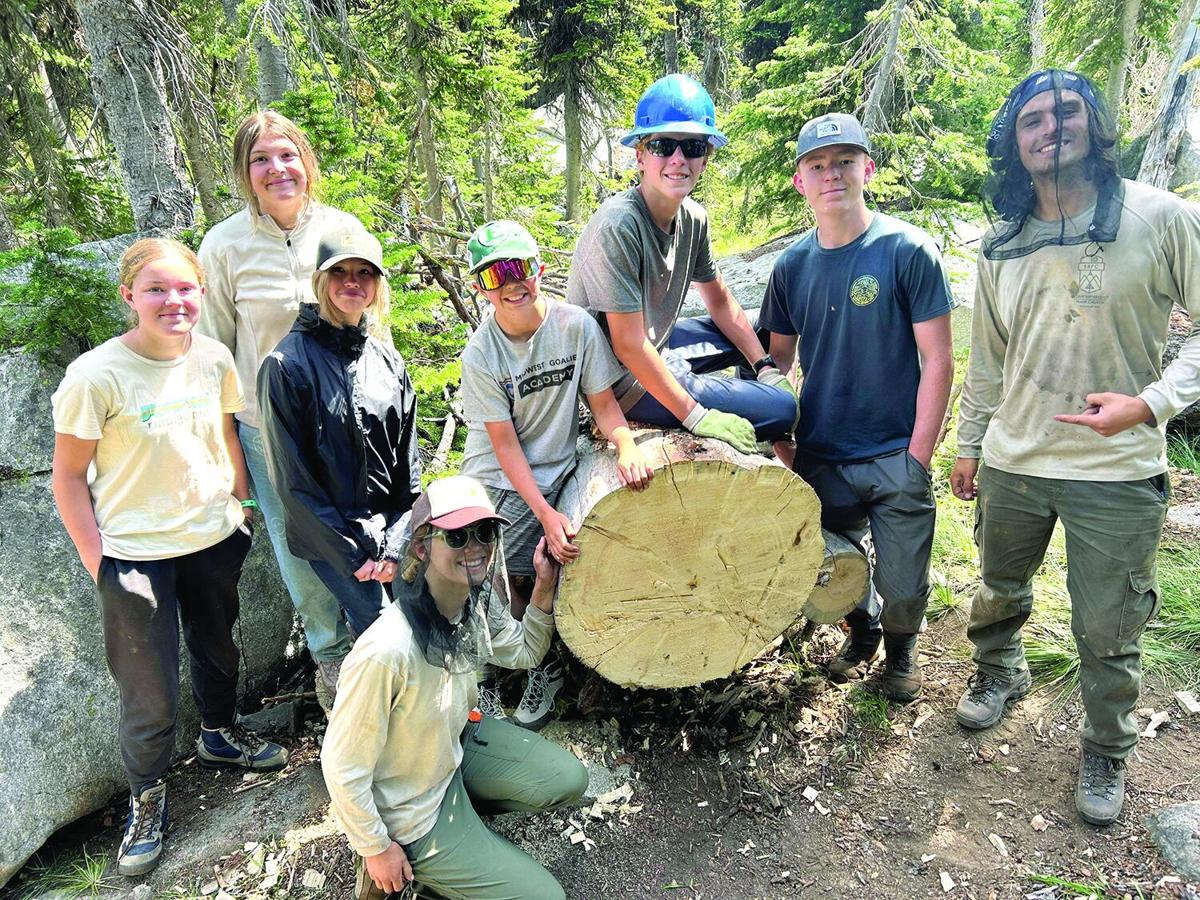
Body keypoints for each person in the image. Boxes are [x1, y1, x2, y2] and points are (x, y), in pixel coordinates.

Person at [951, 69, 1200, 825]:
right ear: (1013, 142)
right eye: (1031, 120)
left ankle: (1107, 746)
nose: (1050, 128)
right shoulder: (1001, 242)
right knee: (998, 590)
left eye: (1065, 112)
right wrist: (969, 445)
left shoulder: (1160, 217)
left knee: (1106, 625)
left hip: (1117, 471)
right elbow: (988, 359)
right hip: (1014, 460)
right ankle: (1000, 671)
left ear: (1094, 123)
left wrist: (1151, 404)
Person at [51, 239, 288, 877]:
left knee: (219, 652)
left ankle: (219, 735)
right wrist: (99, 563)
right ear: (129, 295)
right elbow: (67, 477)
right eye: (156, 289)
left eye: (185, 288)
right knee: (148, 690)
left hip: (212, 538)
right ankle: (147, 796)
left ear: (201, 293)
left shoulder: (212, 357)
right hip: (134, 556)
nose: (173, 300)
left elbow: (226, 432)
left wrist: (241, 503)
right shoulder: (95, 376)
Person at [758, 113, 954, 702]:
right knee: (834, 562)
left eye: (844, 161)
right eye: (817, 165)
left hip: (895, 450)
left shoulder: (907, 250)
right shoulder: (791, 266)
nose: (832, 174)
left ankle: (901, 650)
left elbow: (939, 359)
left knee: (905, 579)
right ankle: (862, 630)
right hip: (822, 452)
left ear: (867, 169)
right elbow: (776, 363)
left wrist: (918, 456)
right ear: (800, 182)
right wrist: (781, 440)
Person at [322, 475, 588, 900]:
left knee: (568, 778)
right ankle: (416, 869)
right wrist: (376, 848)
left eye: (484, 532)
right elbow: (340, 765)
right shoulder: (385, 651)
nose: (475, 547)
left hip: (453, 750)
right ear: (421, 547)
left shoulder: (471, 604)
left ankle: (466, 832)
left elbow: (524, 652)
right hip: (412, 809)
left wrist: (543, 586)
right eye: (458, 536)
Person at [198, 110, 372, 706]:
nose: (277, 169)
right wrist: (229, 454)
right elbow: (215, 355)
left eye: (287, 154)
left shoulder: (341, 228)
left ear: (306, 162)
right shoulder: (224, 246)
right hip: (265, 427)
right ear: (245, 173)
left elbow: (373, 324)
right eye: (260, 159)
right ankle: (332, 656)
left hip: (345, 418)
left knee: (360, 525)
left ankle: (378, 638)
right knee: (297, 541)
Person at [459, 219, 652, 729]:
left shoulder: (575, 326)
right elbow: (504, 446)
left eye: (519, 267)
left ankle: (542, 666)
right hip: (497, 478)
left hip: (556, 469)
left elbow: (603, 404)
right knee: (493, 577)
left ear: (539, 268)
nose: (511, 283)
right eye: (494, 274)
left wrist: (626, 444)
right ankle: (495, 673)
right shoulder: (481, 354)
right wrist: (543, 511)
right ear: (480, 288)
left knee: (544, 568)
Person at [568, 73, 797, 456]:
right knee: (783, 410)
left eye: (691, 146)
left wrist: (765, 366)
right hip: (620, 382)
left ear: (705, 158)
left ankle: (754, 408)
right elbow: (627, 345)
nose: (678, 159)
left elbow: (720, 302)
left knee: (762, 330)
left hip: (656, 342)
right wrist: (696, 415)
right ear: (641, 155)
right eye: (663, 145)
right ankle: (753, 418)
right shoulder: (619, 226)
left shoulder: (693, 218)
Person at [257, 229, 420, 645]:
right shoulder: (285, 366)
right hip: (333, 540)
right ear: (321, 280)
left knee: (419, 623)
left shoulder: (387, 361)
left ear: (377, 285)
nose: (352, 282)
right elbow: (293, 484)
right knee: (384, 634)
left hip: (391, 534)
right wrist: (353, 556)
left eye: (364, 273)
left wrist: (395, 544)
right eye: (340, 272)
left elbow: (409, 466)